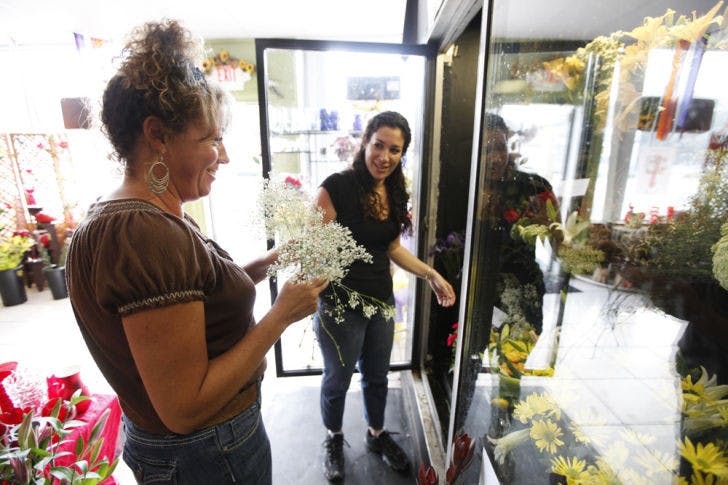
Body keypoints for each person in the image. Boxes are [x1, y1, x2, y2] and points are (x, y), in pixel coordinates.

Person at [65, 20, 327, 484]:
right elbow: (186, 407)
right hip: (207, 452)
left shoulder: (131, 215)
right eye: (211, 139)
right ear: (158, 136)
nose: (223, 156)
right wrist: (280, 316)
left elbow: (193, 301)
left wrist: (270, 261)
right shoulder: (146, 233)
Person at [313, 111, 456, 481]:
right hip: (341, 307)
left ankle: (376, 435)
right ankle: (334, 436)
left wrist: (431, 274)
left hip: (380, 304)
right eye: (379, 145)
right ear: (366, 142)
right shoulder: (337, 187)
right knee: (337, 379)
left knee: (376, 376)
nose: (385, 157)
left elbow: (391, 246)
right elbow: (311, 248)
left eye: (395, 150)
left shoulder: (393, 190)